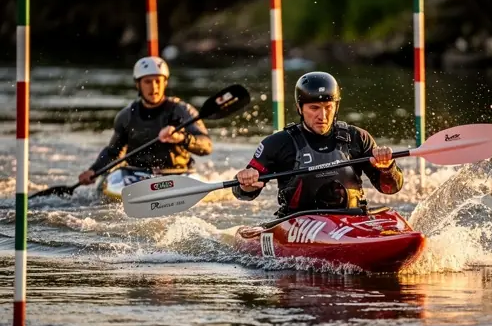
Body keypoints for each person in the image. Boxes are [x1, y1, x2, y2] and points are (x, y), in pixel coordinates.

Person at [232, 71, 403, 217]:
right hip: (297, 224)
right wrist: (246, 184)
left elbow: (390, 189)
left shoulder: (357, 137)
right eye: (314, 108)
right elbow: (243, 193)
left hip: (351, 219)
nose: (323, 116)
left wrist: (387, 168)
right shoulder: (277, 143)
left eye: (328, 107)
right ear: (300, 108)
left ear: (336, 107)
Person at [78, 56, 212, 184]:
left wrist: (181, 138)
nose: (154, 87)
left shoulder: (183, 111)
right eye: (148, 81)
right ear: (138, 84)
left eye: (158, 81)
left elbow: (206, 146)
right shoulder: (126, 116)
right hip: (136, 174)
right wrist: (93, 170)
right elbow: (113, 152)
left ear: (165, 83)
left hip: (177, 173)